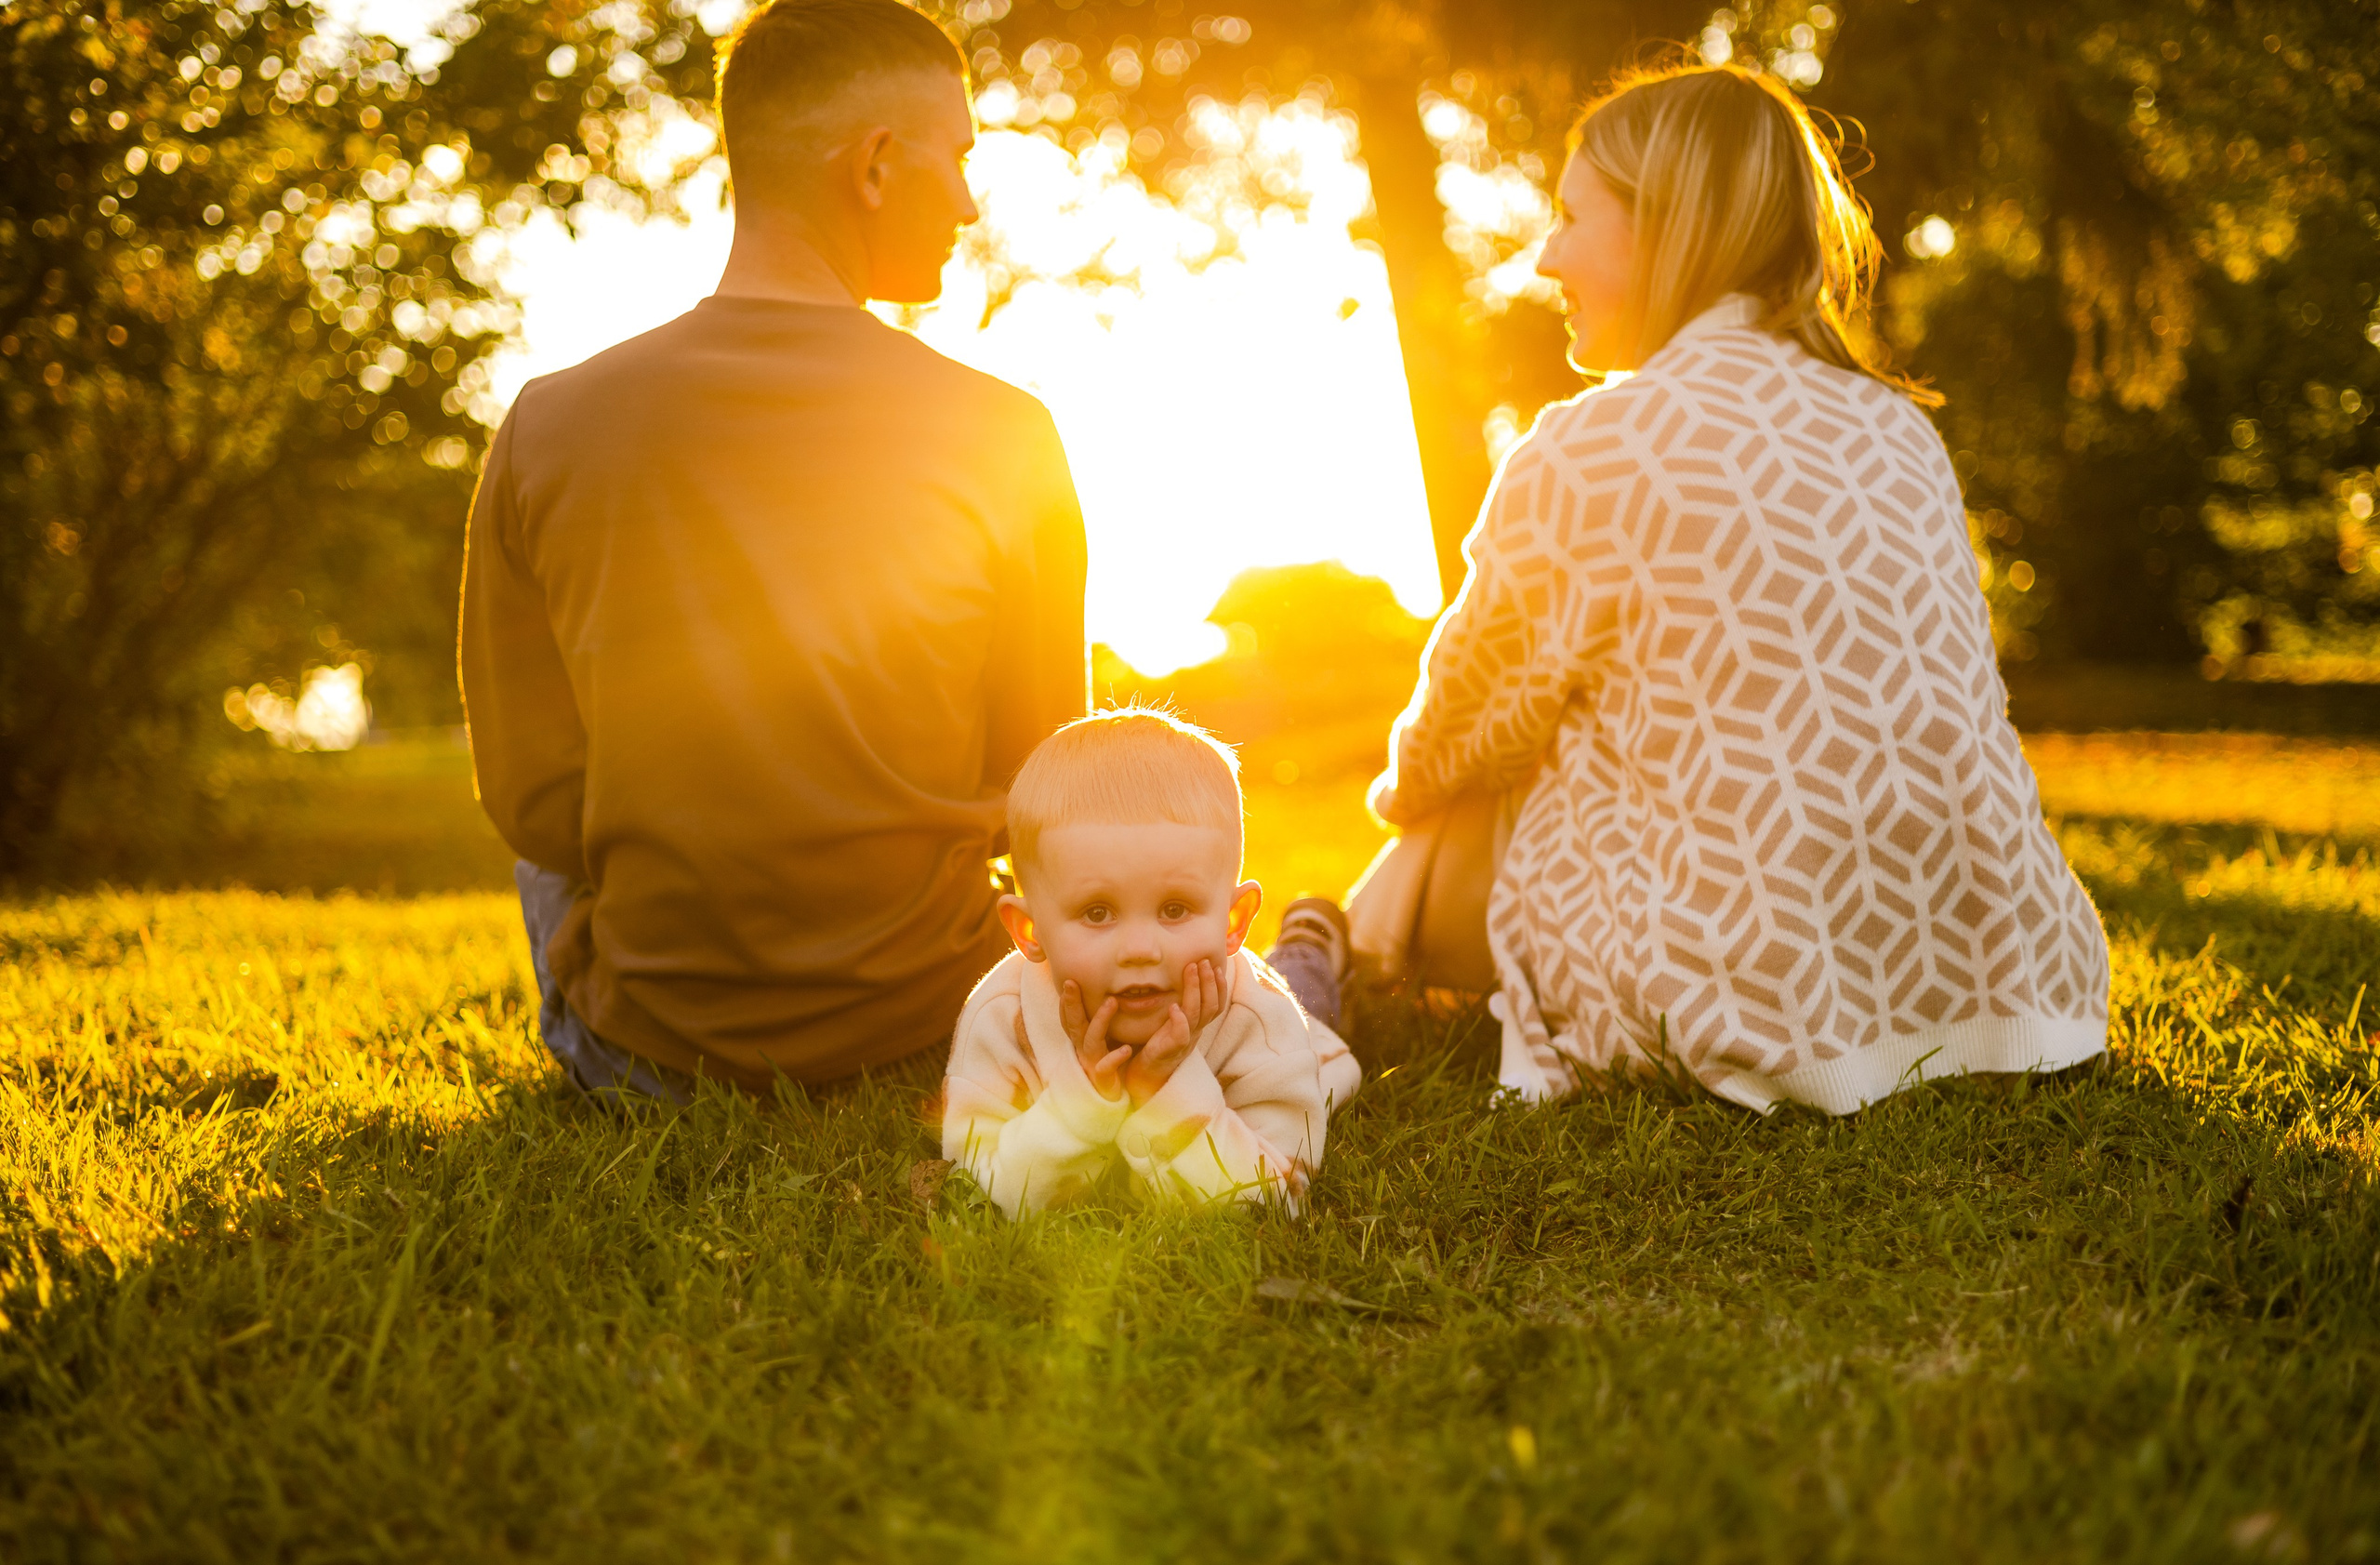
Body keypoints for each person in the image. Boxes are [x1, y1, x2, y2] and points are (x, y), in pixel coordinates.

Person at [1363, 60, 2110, 1111]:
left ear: (1666, 226)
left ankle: (1336, 946)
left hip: (1734, 999)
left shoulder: (1594, 447)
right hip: (2013, 981)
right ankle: (1338, 939)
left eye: (1570, 218)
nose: (1544, 256)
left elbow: (1462, 720)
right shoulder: (1897, 427)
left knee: (1490, 769)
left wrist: (1406, 810)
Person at [460, 0, 1086, 1102]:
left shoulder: (544, 424)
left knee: (548, 865)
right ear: (876, 167)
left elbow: (532, 801)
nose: (968, 203)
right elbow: (1044, 772)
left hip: (653, 1055)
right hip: (933, 1026)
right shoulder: (1006, 433)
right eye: (957, 159)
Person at [941, 710, 1362, 1216]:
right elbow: (978, 1186)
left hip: (1298, 1015)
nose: (1140, 949)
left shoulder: (1264, 1021)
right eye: (1098, 912)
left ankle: (1309, 938)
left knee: (1304, 984)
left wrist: (1166, 1084)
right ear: (1029, 932)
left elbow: (1274, 1197)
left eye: (1175, 909)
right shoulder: (1002, 1018)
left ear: (1232, 921)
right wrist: (1080, 1099)